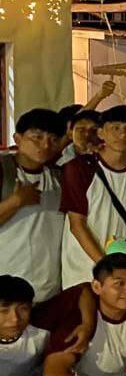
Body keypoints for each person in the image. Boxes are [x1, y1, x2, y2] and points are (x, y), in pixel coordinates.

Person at [59, 105, 126, 289]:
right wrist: (105, 267)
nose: (122, 134)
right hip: (83, 271)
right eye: (115, 128)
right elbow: (77, 224)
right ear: (101, 133)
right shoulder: (79, 169)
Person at [1, 109, 66, 308]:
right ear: (17, 139)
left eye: (53, 139)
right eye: (36, 137)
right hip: (7, 290)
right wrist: (16, 201)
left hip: (49, 291)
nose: (45, 145)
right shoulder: (4, 172)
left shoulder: (59, 178)